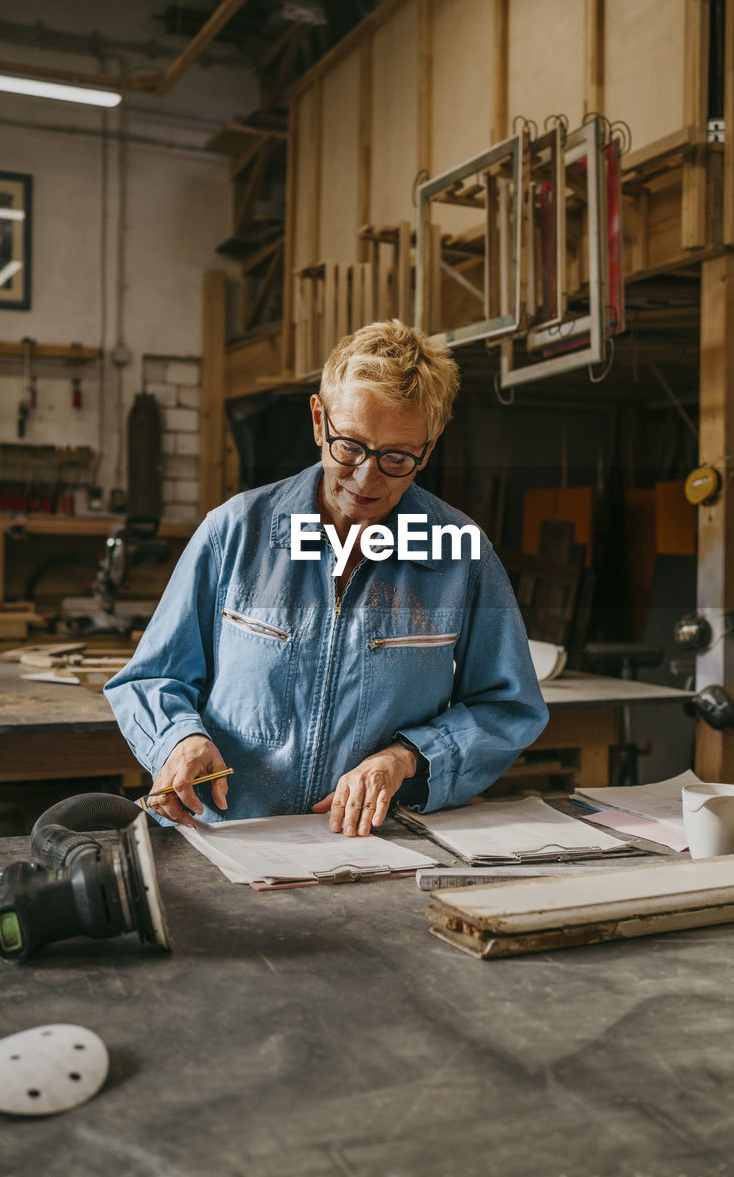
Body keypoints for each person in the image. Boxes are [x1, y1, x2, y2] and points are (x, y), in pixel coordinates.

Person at [104, 320, 548, 835]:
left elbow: (508, 708)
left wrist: (406, 758)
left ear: (428, 448)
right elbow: (152, 678)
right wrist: (179, 739)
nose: (366, 476)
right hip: (226, 839)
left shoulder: (461, 557)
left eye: (397, 457)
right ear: (319, 421)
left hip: (373, 853)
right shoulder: (235, 533)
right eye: (350, 446)